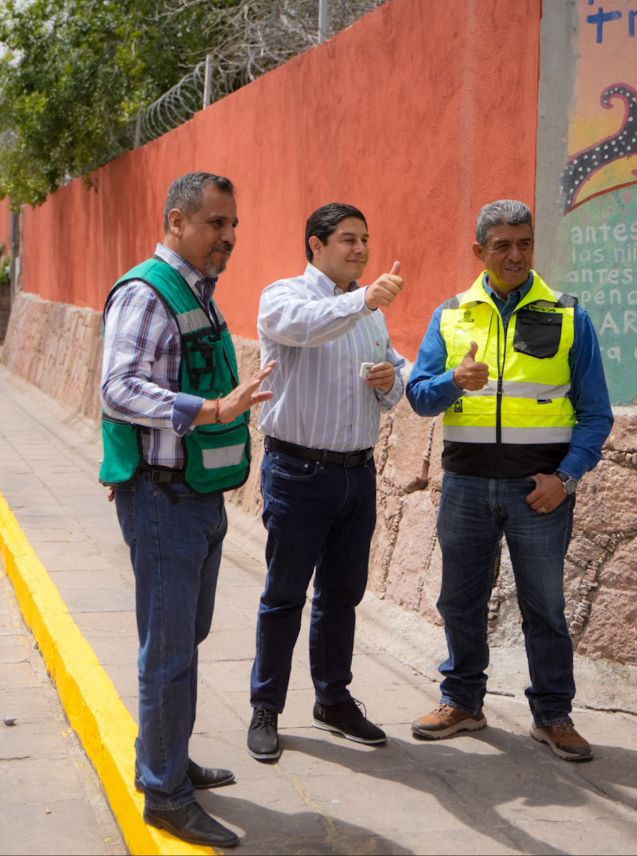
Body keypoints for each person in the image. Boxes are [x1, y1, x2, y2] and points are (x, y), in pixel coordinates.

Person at [100, 171, 274, 849]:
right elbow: (117, 388)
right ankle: (165, 794)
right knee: (167, 651)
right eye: (215, 224)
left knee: (185, 639)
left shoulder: (199, 292)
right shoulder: (149, 292)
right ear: (177, 221)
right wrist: (209, 410)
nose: (228, 236)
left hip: (196, 494)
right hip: (159, 496)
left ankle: (167, 756)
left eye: (233, 224)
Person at [405, 199, 613, 761]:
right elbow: (420, 398)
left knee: (544, 606)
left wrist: (566, 479)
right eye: (502, 245)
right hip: (468, 487)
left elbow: (596, 413)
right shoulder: (451, 314)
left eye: (524, 242)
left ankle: (552, 715)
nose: (516, 254)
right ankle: (463, 701)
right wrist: (454, 379)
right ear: (480, 251)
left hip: (538, 492)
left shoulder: (570, 315)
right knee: (460, 601)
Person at [246, 203, 407, 763]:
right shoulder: (283, 296)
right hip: (297, 472)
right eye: (347, 239)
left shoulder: (372, 312)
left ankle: (332, 700)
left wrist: (392, 380)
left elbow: (393, 376)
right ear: (315, 244)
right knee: (284, 596)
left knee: (341, 597)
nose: (360, 249)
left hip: (355, 474)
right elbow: (305, 330)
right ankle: (265, 706)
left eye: (365, 239)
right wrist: (364, 300)